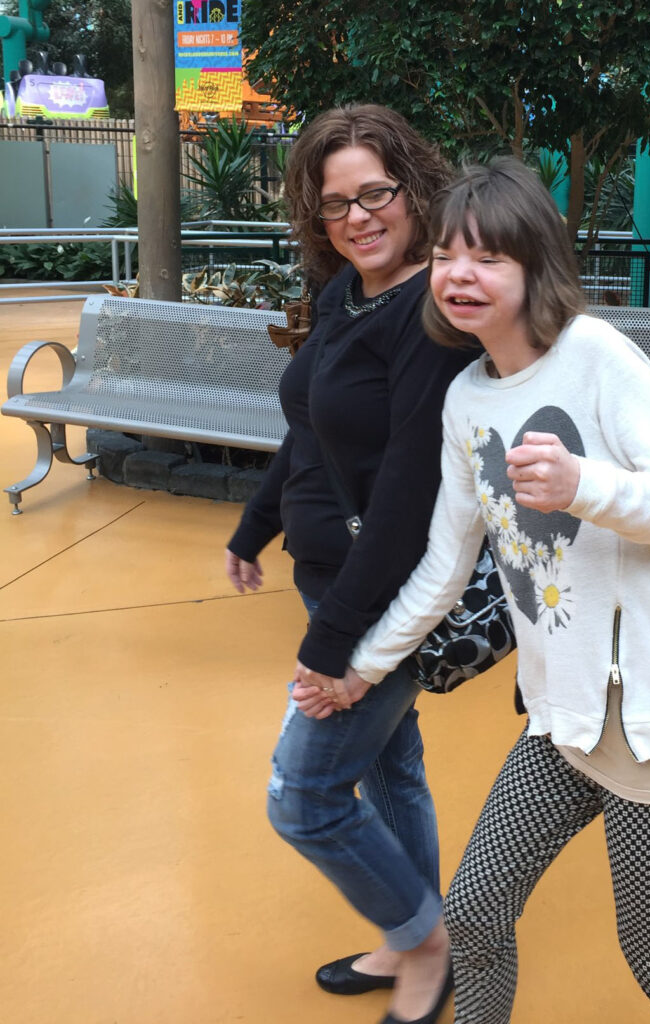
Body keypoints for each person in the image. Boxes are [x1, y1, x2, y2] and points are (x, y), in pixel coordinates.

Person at [297, 158, 650, 1023]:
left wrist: (583, 485)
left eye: (490, 257)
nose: (463, 274)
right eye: (451, 255)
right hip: (557, 725)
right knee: (471, 919)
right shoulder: (466, 399)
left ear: (535, 266)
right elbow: (441, 566)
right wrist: (359, 668)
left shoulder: (598, 356)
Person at [224, 105, 473, 1024]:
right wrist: (255, 525)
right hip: (333, 576)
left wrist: (332, 647)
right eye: (336, 204)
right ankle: (420, 926)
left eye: (376, 192)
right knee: (390, 770)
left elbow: (409, 500)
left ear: (414, 189)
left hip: (386, 597)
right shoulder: (344, 294)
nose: (359, 216)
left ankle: (423, 943)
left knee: (307, 796)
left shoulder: (432, 316)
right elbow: (311, 429)